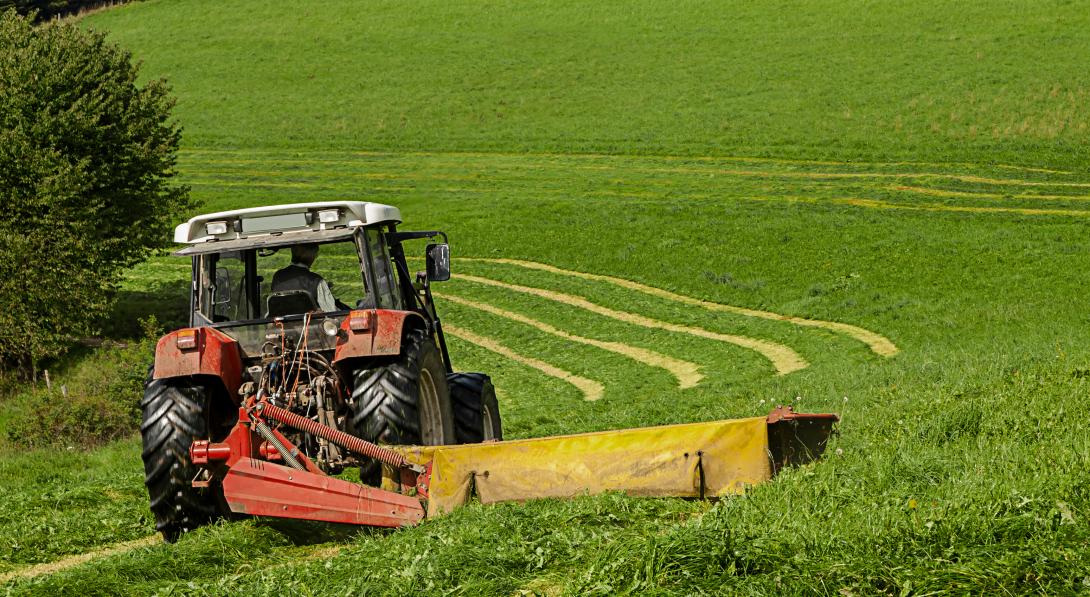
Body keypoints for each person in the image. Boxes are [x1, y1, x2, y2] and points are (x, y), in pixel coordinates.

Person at [271, 244, 347, 312]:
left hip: (282, 325)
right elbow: (332, 311)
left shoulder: (278, 276)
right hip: (309, 326)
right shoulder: (316, 280)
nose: (314, 257)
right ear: (309, 254)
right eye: (315, 254)